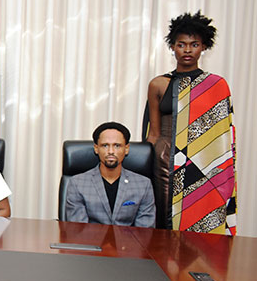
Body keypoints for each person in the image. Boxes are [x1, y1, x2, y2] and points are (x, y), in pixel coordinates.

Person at [146, 12, 236, 234]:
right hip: (165, 161)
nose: (187, 50)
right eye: (181, 44)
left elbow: (223, 137)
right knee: (164, 221)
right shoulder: (159, 84)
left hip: (204, 164)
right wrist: (146, 168)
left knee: (201, 217)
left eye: (194, 44)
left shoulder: (216, 85)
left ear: (203, 46)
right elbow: (153, 133)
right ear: (172, 47)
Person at [65, 122, 155, 227]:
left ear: (126, 149)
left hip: (128, 243)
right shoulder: (77, 183)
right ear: (96, 148)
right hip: (91, 242)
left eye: (117, 146)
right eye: (105, 145)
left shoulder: (143, 185)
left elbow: (144, 232)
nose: (111, 151)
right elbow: (78, 229)